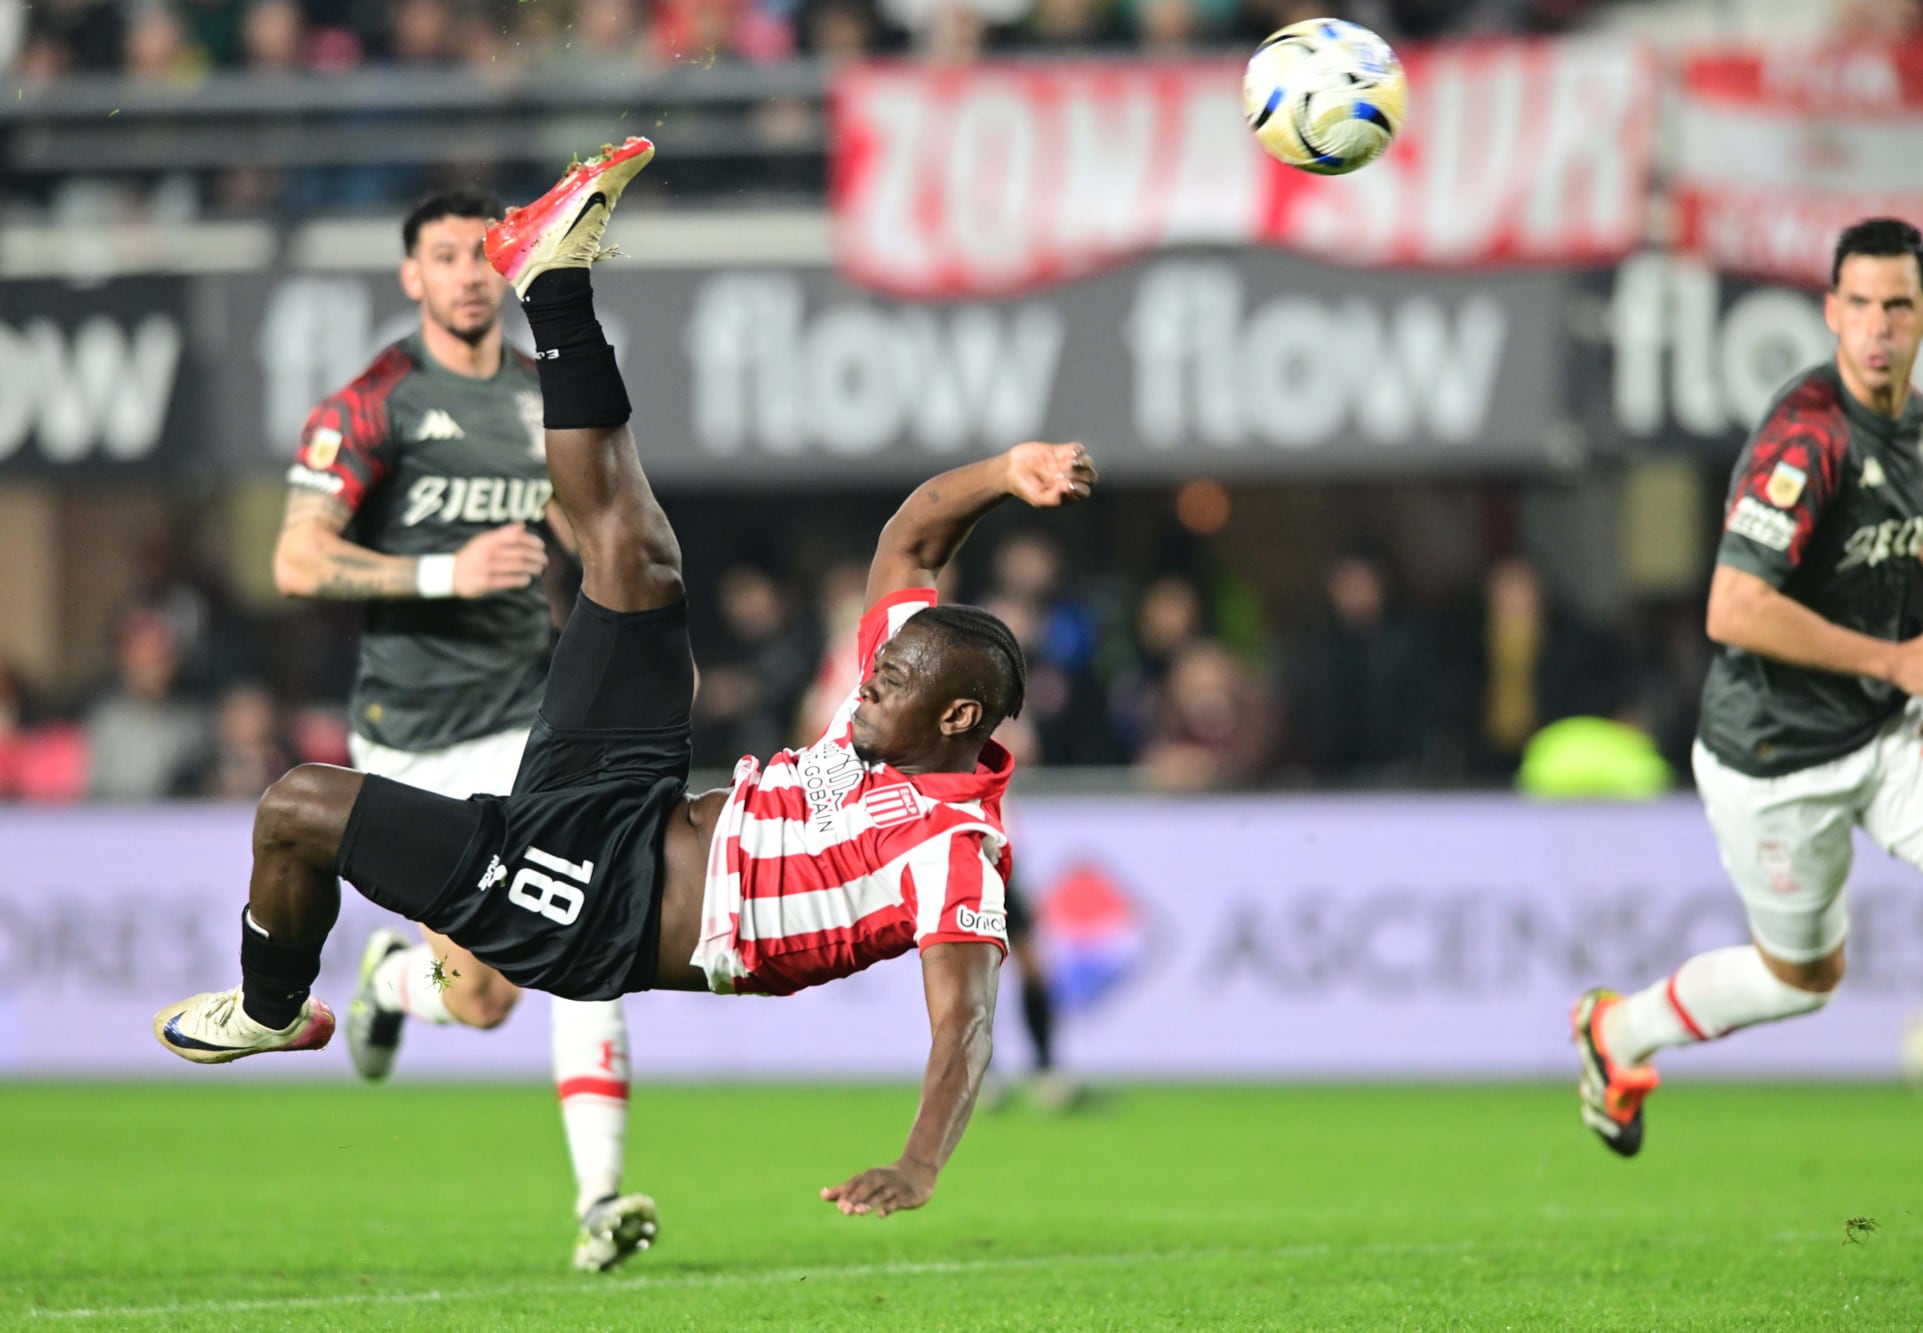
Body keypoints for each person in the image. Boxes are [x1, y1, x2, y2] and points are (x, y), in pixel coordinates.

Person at [155, 137, 1098, 1231]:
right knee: (638, 558)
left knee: (296, 807)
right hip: (638, 790)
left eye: (887, 680)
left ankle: (272, 1008)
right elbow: (912, 537)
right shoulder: (897, 705)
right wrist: (1006, 470)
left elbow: (963, 1022)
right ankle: (552, 283)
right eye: (876, 669)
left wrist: (919, 1161)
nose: (865, 683)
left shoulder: (955, 850)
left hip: (601, 907)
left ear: (959, 716)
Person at [271, 187, 644, 1271]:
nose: (471, 275)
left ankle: (602, 1200)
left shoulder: (537, 398)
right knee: (481, 1001)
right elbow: (296, 559)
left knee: (586, 937)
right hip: (410, 735)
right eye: (446, 257)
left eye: (484, 256)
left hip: (530, 719)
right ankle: (391, 981)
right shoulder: (371, 405)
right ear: (413, 277)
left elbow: (598, 532)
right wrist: (447, 571)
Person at [1572, 218, 1923, 1157]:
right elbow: (1732, 609)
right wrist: (1894, 660)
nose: (1879, 326)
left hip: (1889, 734)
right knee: (1799, 980)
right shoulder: (1808, 437)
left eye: (1897, 305)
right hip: (1775, 755)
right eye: (1860, 305)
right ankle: (1619, 1033)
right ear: (1830, 313)